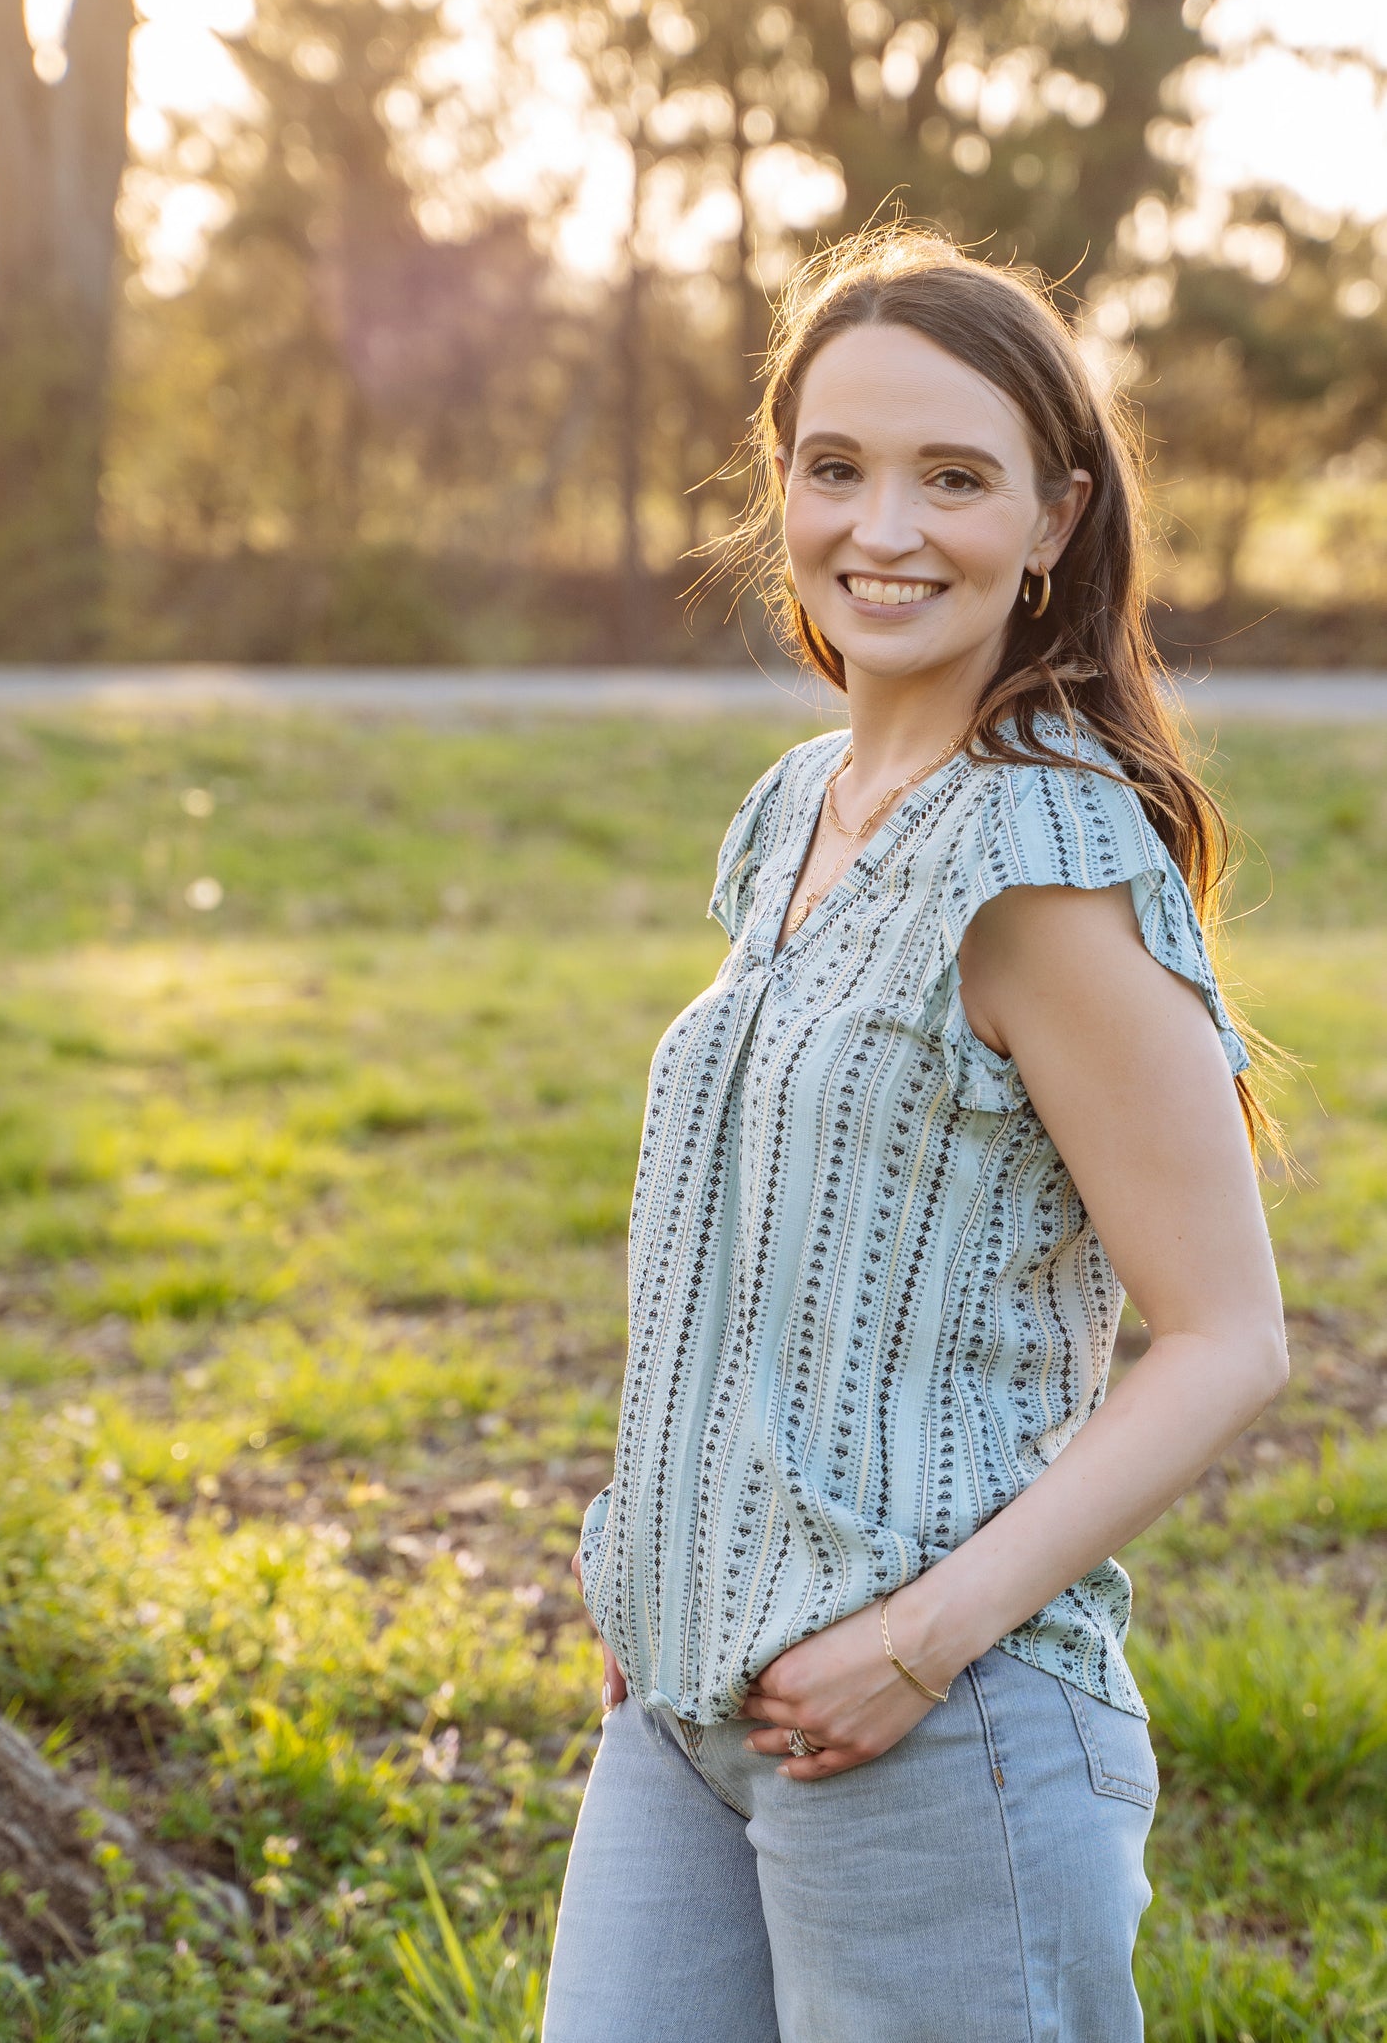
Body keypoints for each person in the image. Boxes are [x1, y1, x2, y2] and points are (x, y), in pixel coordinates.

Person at [544, 226, 1288, 2043]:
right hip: (685, 1702)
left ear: (1053, 520)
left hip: (933, 1728)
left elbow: (1224, 1341)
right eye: (836, 468)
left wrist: (909, 1643)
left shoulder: (1040, 860)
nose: (882, 527)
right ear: (781, 488)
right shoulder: (799, 803)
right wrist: (669, 1558)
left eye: (953, 478)